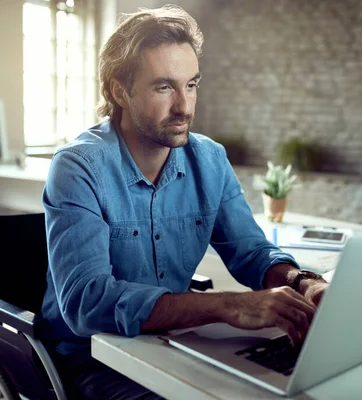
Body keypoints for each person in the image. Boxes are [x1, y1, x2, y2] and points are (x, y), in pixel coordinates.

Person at [42, 5, 329, 399]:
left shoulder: (209, 158)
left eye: (191, 84)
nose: (184, 107)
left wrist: (302, 283)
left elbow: (251, 252)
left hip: (173, 343)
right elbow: (85, 303)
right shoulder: (79, 168)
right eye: (164, 87)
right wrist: (224, 306)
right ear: (118, 91)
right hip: (92, 358)